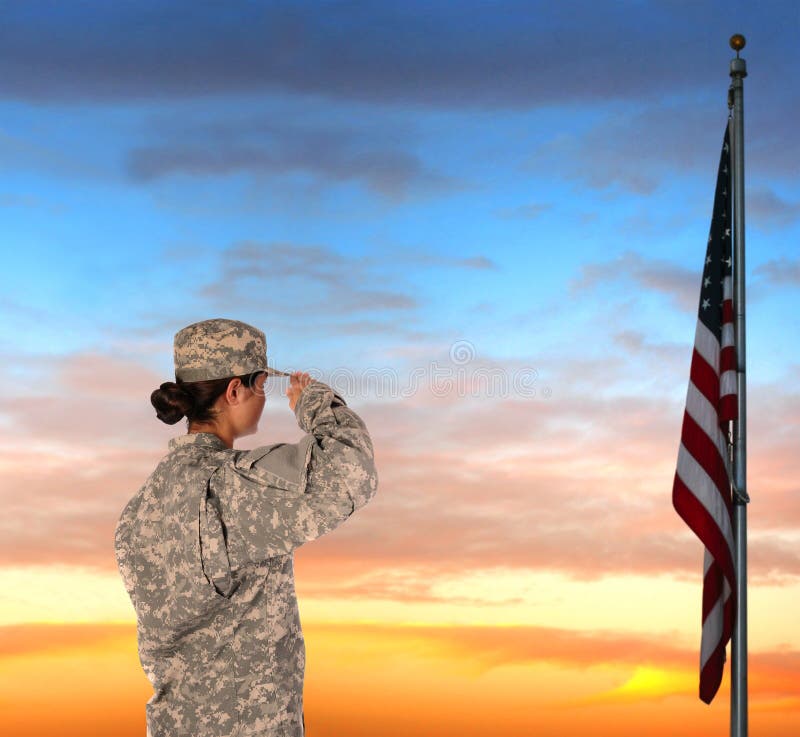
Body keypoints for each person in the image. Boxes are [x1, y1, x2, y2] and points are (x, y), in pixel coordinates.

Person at [114, 318, 378, 737]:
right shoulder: (232, 487)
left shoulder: (140, 508)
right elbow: (350, 473)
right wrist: (314, 405)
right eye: (260, 385)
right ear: (235, 390)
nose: (264, 397)